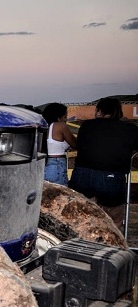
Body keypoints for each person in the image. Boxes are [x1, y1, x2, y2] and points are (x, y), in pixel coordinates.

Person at [69, 97, 138, 228]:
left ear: (99, 111)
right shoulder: (129, 128)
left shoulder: (87, 125)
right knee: (113, 219)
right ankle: (110, 245)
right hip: (111, 176)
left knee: (80, 215)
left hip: (82, 174)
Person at [42, 102, 76, 186]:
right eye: (65, 117)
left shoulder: (42, 126)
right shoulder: (60, 126)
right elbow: (75, 144)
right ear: (58, 117)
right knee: (59, 195)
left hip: (43, 164)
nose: (66, 120)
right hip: (57, 164)